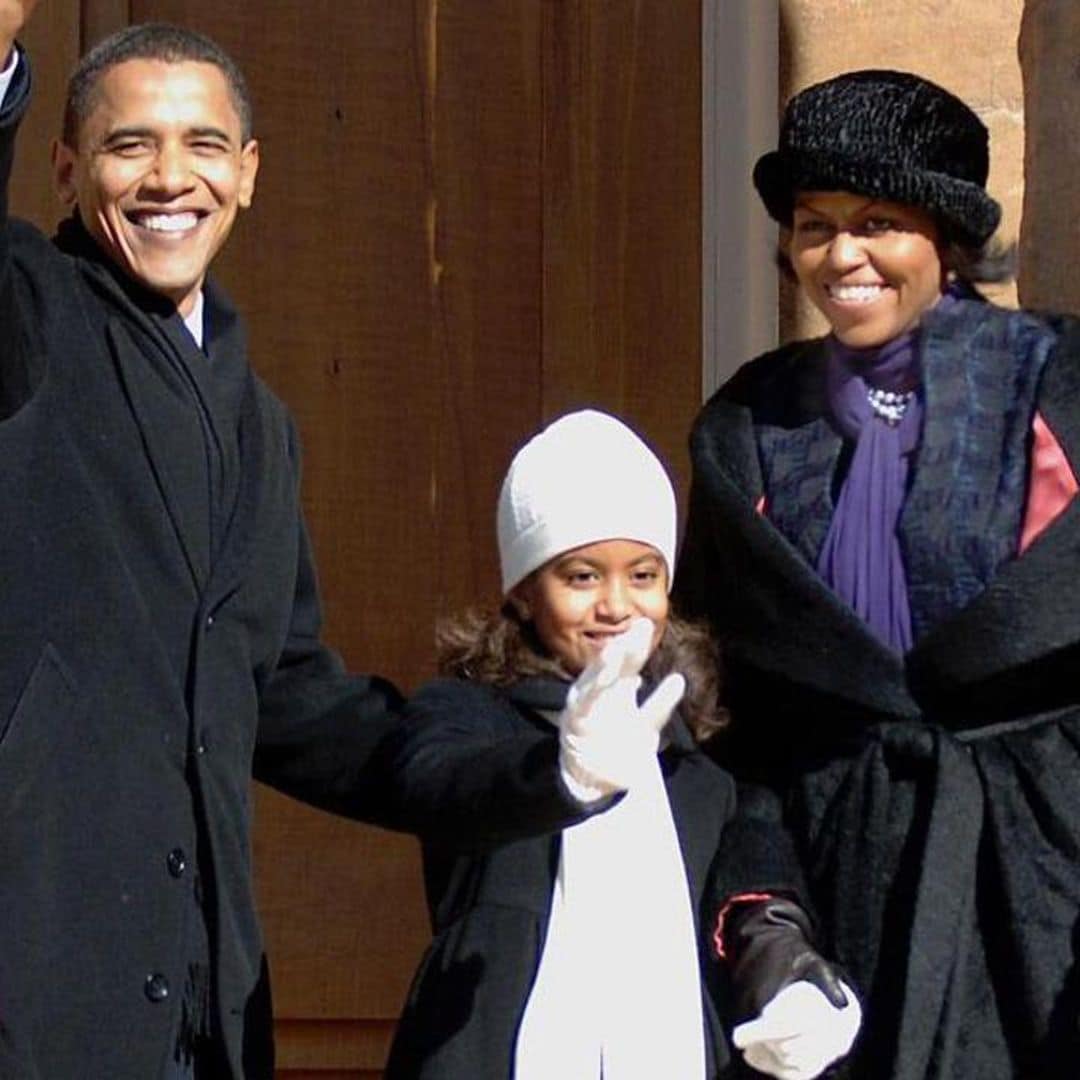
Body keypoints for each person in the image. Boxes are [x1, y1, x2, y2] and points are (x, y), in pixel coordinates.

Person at [0, 5, 403, 1077]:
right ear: (65, 166)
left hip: (202, 1008)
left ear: (251, 172)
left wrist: (539, 758)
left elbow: (291, 700)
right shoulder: (25, 319)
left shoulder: (259, 419)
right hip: (31, 996)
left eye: (204, 145)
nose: (170, 177)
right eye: (131, 144)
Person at [675, 68, 1080, 1079]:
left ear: (947, 238)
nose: (841, 256)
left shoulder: (1060, 388)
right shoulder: (747, 426)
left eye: (879, 222)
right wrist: (762, 918)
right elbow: (727, 709)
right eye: (815, 225)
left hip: (1041, 884)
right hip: (827, 890)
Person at [378, 409, 860, 1080]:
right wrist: (559, 775)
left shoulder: (700, 771)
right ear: (523, 591)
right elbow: (437, 781)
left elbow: (754, 906)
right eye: (580, 576)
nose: (616, 605)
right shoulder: (469, 719)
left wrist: (796, 986)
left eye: (643, 575)